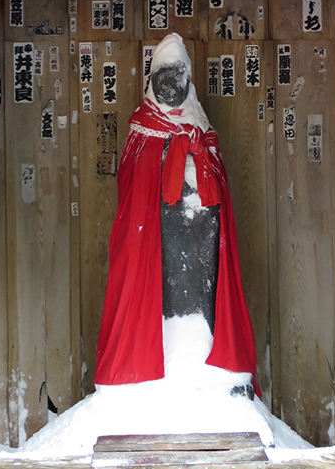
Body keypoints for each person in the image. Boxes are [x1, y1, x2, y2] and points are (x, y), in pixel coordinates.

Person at [94, 32, 258, 395]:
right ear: (152, 79)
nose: (170, 85)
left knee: (205, 290)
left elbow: (218, 184)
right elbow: (133, 188)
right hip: (157, 231)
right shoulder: (141, 130)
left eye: (177, 75)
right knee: (153, 284)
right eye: (163, 76)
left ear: (188, 79)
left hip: (202, 227)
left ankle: (203, 345)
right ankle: (157, 350)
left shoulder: (203, 131)